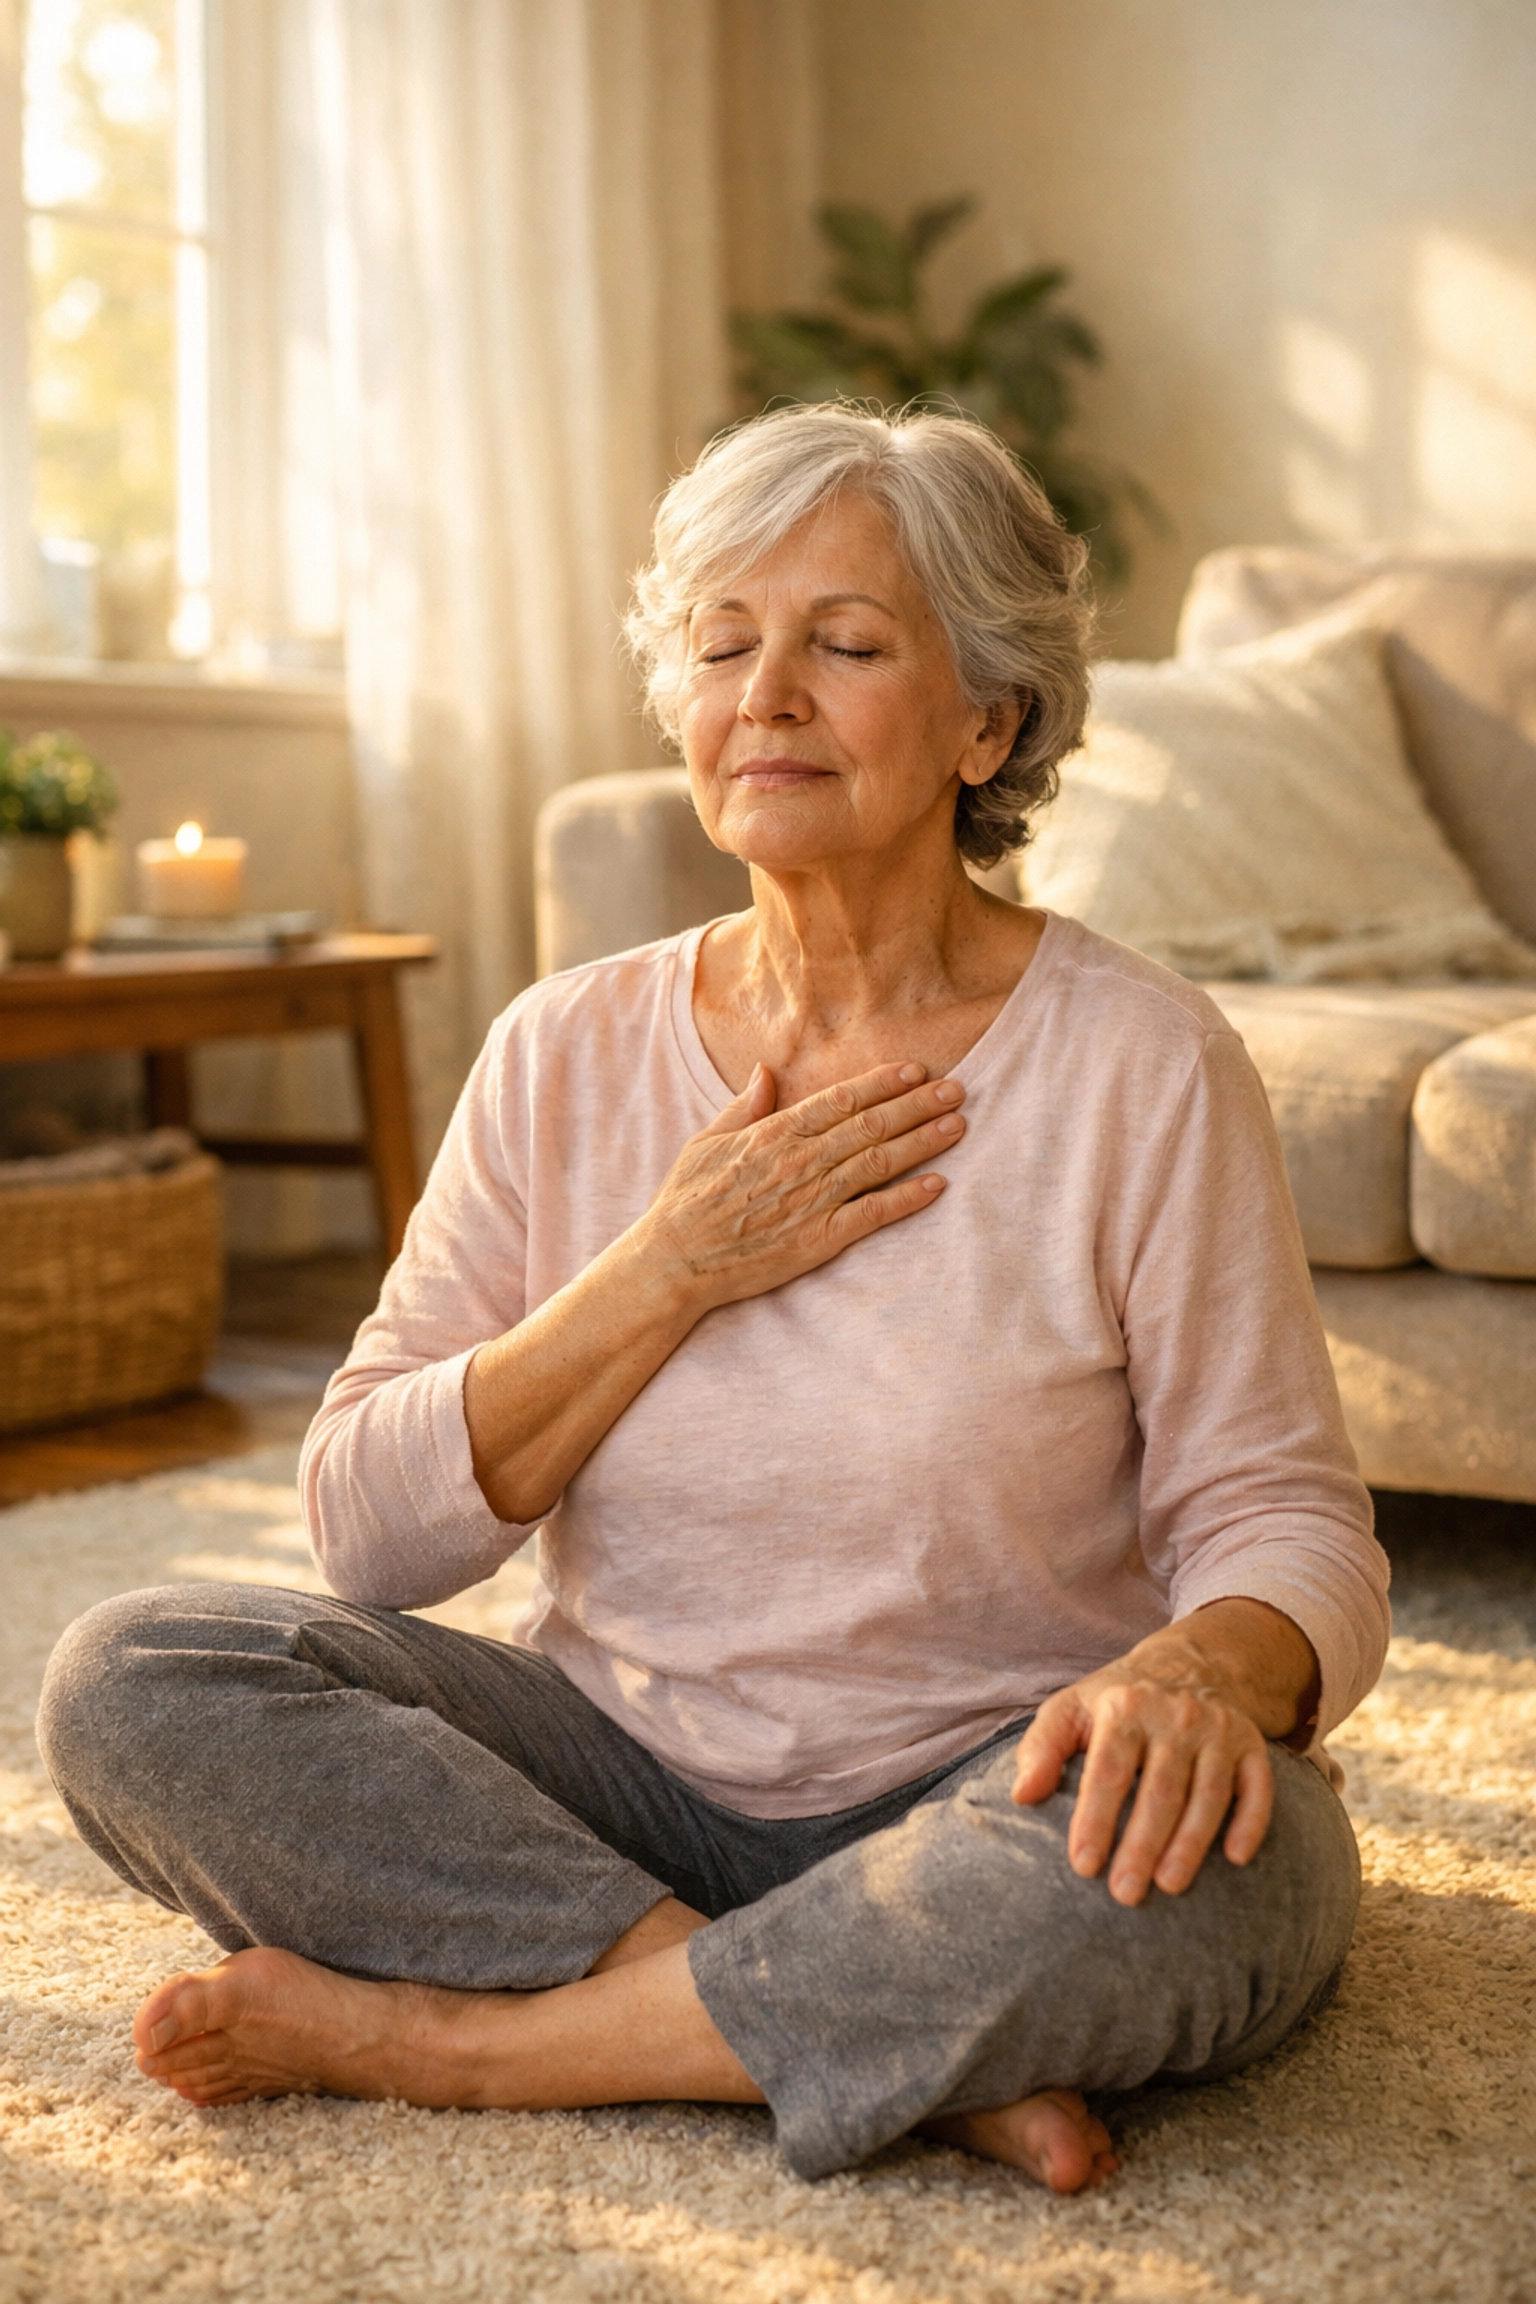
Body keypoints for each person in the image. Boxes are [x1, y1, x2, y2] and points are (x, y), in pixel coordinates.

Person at [39, 405, 1389, 2196]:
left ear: (988, 719)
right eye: (722, 644)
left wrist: (1197, 1670)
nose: (766, 693)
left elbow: (1290, 1519)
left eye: (843, 644)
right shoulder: (564, 1049)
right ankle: (849, 2033)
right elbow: (364, 1527)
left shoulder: (1142, 1063)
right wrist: (668, 1266)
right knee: (135, 1677)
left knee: (1250, 1851)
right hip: (615, 1778)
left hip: (989, 1784)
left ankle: (468, 2046)